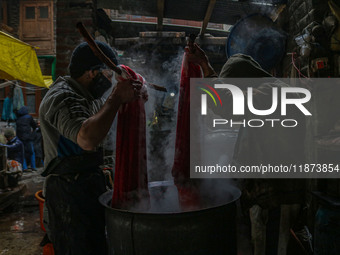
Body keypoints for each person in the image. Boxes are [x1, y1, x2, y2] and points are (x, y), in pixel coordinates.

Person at [186, 44, 306, 255]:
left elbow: (226, 104)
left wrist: (205, 66)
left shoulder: (272, 92)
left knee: (272, 246)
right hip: (271, 193)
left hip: (276, 195)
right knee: (273, 242)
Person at [39, 41, 145, 255]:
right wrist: (116, 98)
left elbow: (103, 118)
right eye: (107, 76)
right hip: (67, 196)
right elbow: (87, 138)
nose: (109, 82)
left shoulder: (88, 97)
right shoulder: (63, 96)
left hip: (86, 188)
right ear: (91, 73)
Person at [15, 105, 37, 170]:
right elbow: (34, 126)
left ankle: (24, 167)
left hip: (21, 138)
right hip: (29, 138)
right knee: (32, 152)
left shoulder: (18, 119)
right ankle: (33, 166)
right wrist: (32, 133)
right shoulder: (29, 117)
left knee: (22, 153)